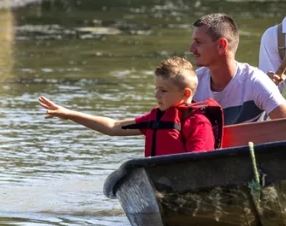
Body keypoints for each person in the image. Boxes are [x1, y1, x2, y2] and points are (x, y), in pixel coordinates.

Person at [37, 56, 222, 157]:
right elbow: (113, 127)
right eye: (156, 88)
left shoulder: (198, 123)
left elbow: (199, 162)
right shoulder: (154, 119)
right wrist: (69, 114)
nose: (156, 95)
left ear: (186, 94)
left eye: (164, 91)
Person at [189, 13, 286, 124]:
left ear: (221, 45)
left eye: (198, 42)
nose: (191, 49)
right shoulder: (193, 84)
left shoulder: (256, 82)